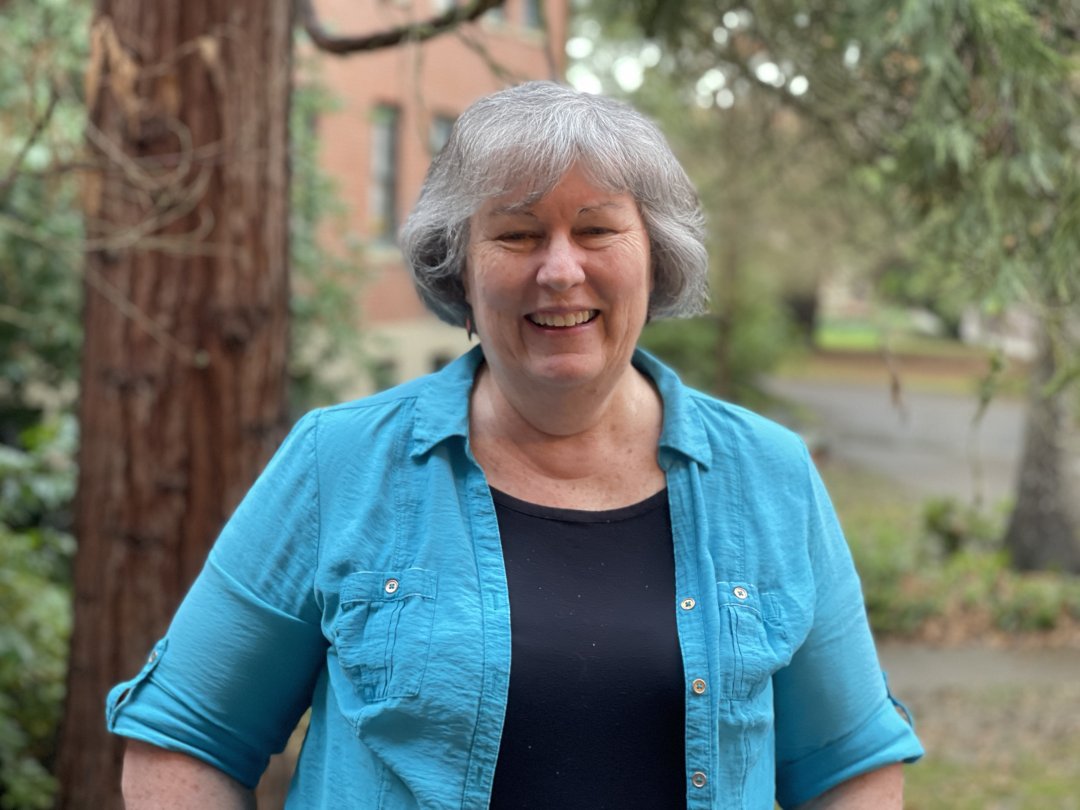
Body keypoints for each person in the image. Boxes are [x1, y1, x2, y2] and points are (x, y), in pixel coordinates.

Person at [110, 81, 922, 809]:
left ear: (656, 257)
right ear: (458, 268)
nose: (560, 271)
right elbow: (187, 736)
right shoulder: (339, 464)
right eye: (518, 234)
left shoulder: (767, 473)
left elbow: (850, 762)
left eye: (597, 229)